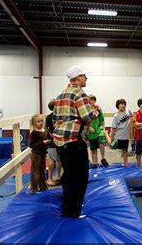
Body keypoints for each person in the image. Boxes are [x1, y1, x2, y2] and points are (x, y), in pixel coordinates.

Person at [53, 65, 98, 218]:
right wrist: (95, 112)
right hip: (73, 141)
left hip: (60, 141)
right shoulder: (79, 93)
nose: (86, 79)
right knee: (79, 177)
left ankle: (68, 207)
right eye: (84, 76)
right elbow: (87, 117)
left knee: (68, 176)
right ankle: (73, 212)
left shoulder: (60, 95)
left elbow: (54, 119)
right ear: (78, 78)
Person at [29, 114, 51, 193]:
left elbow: (49, 137)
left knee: (42, 170)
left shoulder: (45, 130)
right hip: (36, 154)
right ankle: (34, 188)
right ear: (34, 123)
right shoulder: (34, 133)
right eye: (38, 121)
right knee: (36, 171)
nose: (41, 123)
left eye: (42, 121)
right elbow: (31, 145)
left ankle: (43, 186)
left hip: (43, 153)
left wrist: (50, 140)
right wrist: (42, 142)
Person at [86, 94, 109, 168]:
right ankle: (95, 163)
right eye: (90, 100)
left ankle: (103, 158)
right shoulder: (86, 110)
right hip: (91, 132)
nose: (92, 102)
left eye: (93, 100)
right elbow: (84, 121)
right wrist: (89, 128)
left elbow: (102, 119)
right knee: (93, 149)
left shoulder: (98, 108)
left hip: (99, 130)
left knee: (101, 144)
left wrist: (103, 129)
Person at [110, 99, 132, 167]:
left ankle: (126, 164)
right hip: (118, 136)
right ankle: (105, 133)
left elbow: (133, 118)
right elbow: (113, 128)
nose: (124, 105)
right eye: (122, 104)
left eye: (124, 104)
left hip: (125, 136)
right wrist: (111, 138)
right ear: (118, 106)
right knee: (111, 146)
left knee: (125, 151)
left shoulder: (128, 111)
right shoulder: (116, 116)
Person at [45, 99, 61, 186]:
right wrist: (51, 135)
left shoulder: (61, 116)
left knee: (59, 159)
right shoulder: (49, 117)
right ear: (53, 107)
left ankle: (58, 176)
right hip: (52, 141)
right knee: (51, 160)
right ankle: (50, 178)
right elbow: (47, 128)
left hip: (60, 139)